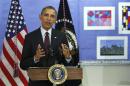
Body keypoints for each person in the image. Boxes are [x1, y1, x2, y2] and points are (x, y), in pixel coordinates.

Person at [20, 6, 81, 86]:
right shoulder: (30, 37)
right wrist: (36, 58)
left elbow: (69, 64)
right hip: (37, 83)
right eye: (46, 15)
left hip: (58, 82)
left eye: (52, 16)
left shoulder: (61, 36)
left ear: (55, 20)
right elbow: (23, 65)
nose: (49, 18)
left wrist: (68, 57)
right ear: (40, 17)